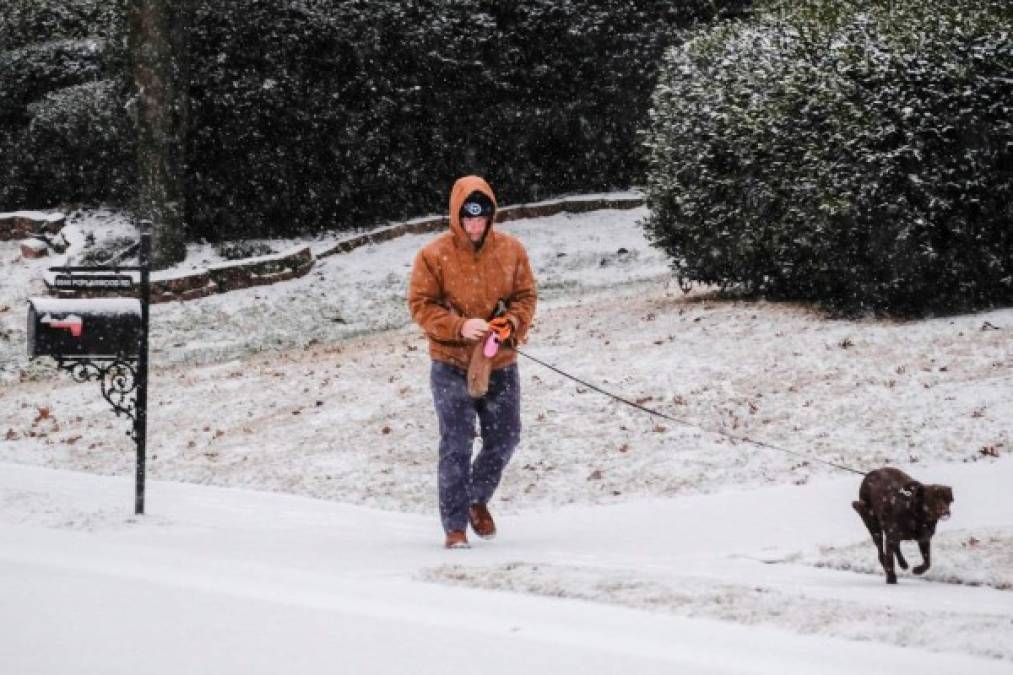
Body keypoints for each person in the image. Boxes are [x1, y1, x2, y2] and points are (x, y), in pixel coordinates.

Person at [408, 175, 537, 549]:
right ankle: (454, 527)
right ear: (457, 216)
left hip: (501, 362)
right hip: (450, 362)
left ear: (492, 215)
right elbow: (421, 305)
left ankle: (475, 497)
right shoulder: (432, 256)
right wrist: (460, 327)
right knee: (457, 442)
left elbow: (526, 296)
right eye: (468, 218)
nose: (475, 225)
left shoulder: (511, 250)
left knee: (506, 437)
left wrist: (510, 322)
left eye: (482, 218)